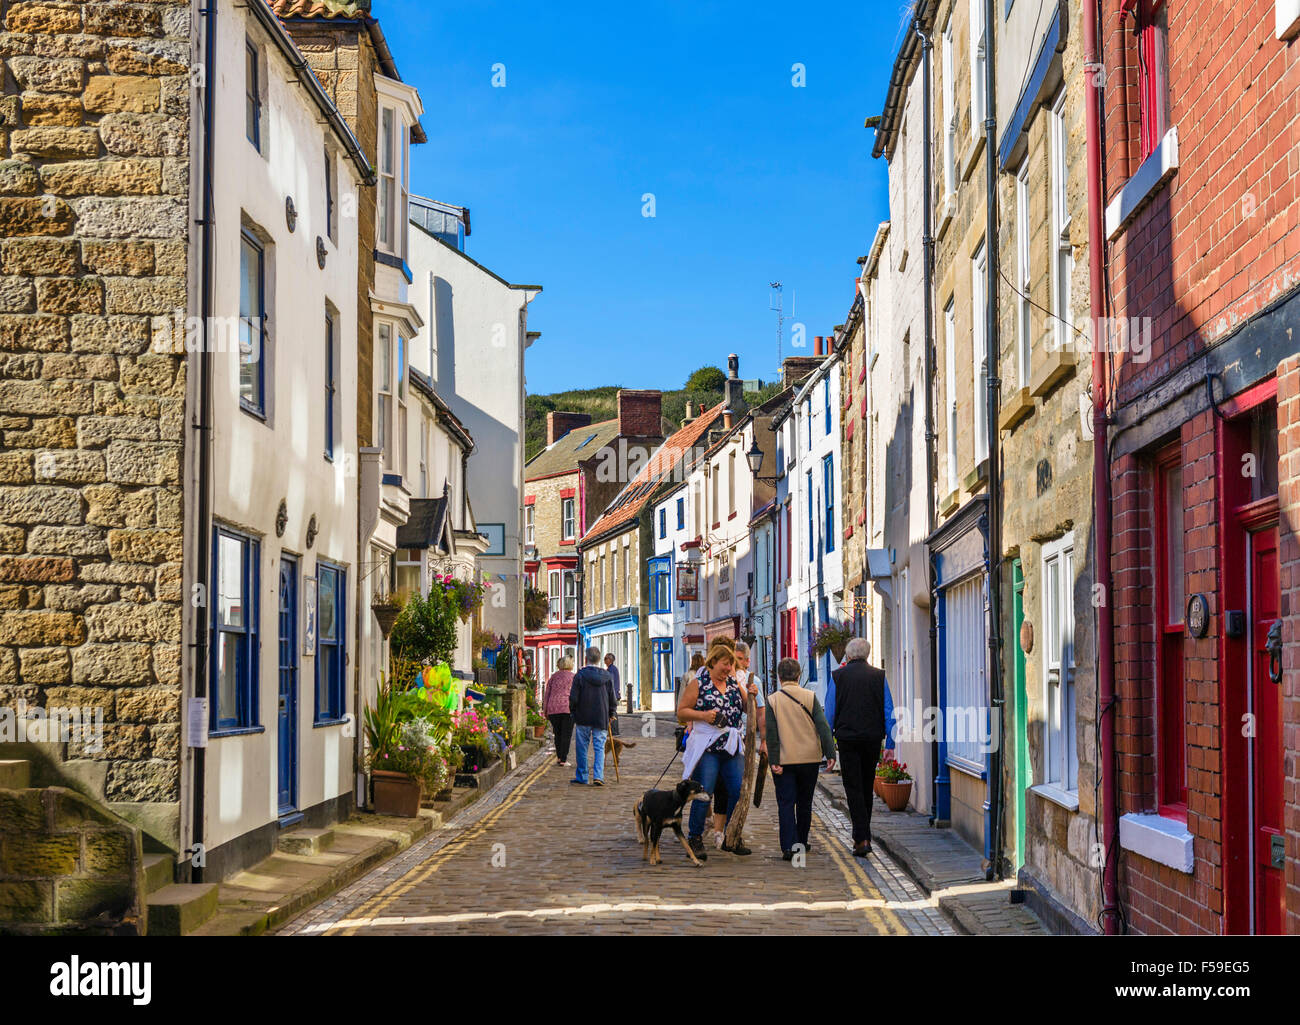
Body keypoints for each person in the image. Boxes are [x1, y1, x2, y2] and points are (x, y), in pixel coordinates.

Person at [676, 640, 751, 859]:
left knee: (738, 791)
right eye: (725, 664)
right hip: (708, 747)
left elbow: (747, 708)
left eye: (731, 665)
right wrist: (703, 716)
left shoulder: (733, 682)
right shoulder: (699, 683)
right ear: (713, 662)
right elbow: (681, 712)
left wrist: (749, 692)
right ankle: (695, 837)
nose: (728, 669)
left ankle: (732, 835)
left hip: (731, 747)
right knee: (704, 792)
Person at [831, 637, 895, 856]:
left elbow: (829, 711)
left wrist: (827, 743)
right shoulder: (879, 677)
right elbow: (889, 710)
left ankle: (862, 838)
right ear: (866, 655)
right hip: (872, 739)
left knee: (853, 788)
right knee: (866, 787)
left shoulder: (838, 677)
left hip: (847, 739)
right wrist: (891, 744)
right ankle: (863, 837)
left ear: (848, 656)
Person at [766, 658, 836, 860]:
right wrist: (830, 753)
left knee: (786, 803)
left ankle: (789, 846)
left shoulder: (773, 700)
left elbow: (771, 733)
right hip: (809, 759)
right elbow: (823, 726)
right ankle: (802, 842)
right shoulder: (810, 696)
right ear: (798, 676)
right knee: (805, 802)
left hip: (785, 760)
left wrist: (774, 760)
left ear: (779, 678)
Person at [710, 640, 765, 848]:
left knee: (736, 788)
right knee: (717, 788)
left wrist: (764, 741)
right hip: (713, 742)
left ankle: (731, 832)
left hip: (738, 742)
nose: (737, 663)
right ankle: (716, 831)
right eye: (735, 659)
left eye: (741, 659)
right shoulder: (719, 678)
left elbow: (758, 711)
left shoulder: (753, 681)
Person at [569, 646, 618, 786]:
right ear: (599, 659)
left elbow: (574, 697)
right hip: (601, 715)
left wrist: (572, 711)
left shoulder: (580, 676)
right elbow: (611, 697)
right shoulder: (607, 676)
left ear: (586, 658)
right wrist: (611, 712)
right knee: (599, 747)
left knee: (582, 747)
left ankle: (582, 776)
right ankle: (598, 776)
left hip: (583, 715)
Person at [541, 657, 575, 767]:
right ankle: (563, 759)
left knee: (558, 734)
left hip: (553, 708)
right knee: (566, 734)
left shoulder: (553, 677)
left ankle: (559, 757)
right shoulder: (573, 677)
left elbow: (547, 694)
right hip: (567, 708)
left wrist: (545, 710)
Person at [604, 652, 622, 734]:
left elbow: (611, 683)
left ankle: (614, 731)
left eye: (606, 658)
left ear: (610, 660)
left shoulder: (611, 669)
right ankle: (613, 730)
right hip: (614, 694)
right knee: (612, 712)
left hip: (612, 694)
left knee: (612, 712)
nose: (604, 660)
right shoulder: (612, 669)